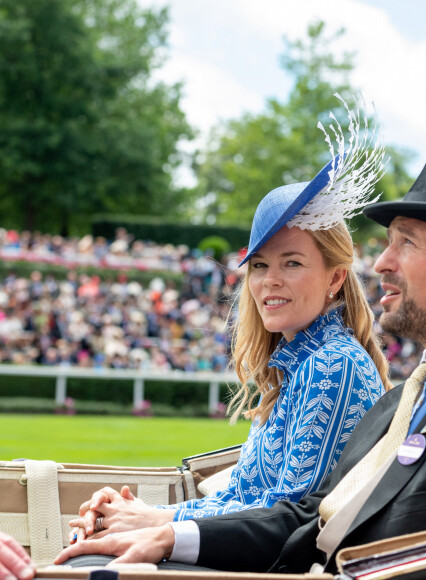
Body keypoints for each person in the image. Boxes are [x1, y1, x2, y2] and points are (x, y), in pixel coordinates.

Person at [56, 126, 426, 575]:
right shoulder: (408, 401)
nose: (380, 264)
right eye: (259, 265)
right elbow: (309, 519)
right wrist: (167, 533)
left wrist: (165, 529)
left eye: (407, 242)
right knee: (89, 560)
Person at [65, 96, 389, 543]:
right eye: (259, 265)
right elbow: (242, 498)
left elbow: (287, 518)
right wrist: (137, 513)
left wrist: (157, 524)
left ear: (335, 278)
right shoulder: (299, 363)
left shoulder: (332, 364)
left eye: (291, 263)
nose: (269, 281)